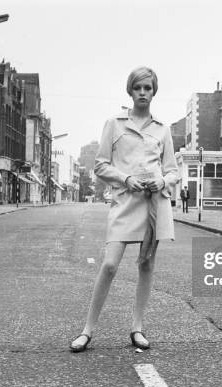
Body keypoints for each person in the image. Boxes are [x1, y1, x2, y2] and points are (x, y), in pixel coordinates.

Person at [70, 67, 178, 352]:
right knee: (109, 264)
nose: (143, 93)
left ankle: (137, 328)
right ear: (130, 91)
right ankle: (87, 330)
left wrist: (162, 180)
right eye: (138, 88)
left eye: (148, 88)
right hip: (125, 202)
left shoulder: (162, 130)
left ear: (154, 91)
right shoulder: (114, 124)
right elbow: (101, 165)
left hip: (154, 205)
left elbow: (173, 172)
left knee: (146, 264)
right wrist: (126, 179)